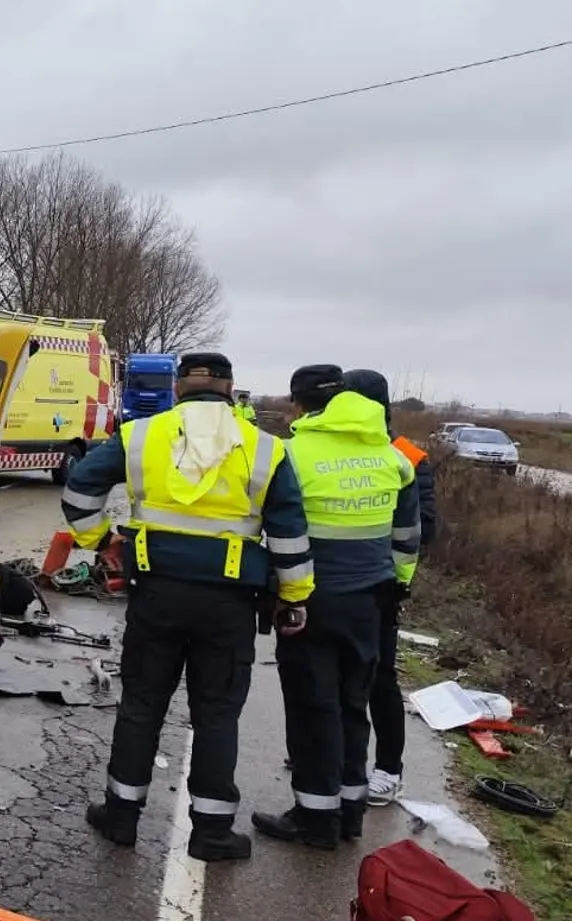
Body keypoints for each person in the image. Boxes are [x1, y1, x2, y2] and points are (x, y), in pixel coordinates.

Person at [66, 351, 314, 862]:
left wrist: (102, 543)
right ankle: (211, 833)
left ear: (179, 388)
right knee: (217, 714)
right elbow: (289, 535)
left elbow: (79, 488)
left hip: (155, 595)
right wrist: (295, 598)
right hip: (228, 605)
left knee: (140, 706)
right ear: (230, 389)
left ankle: (121, 817)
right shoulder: (263, 448)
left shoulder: (140, 435)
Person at [253, 366, 419, 850]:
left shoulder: (292, 453)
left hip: (309, 600)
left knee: (312, 707)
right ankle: (350, 814)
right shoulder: (392, 458)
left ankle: (314, 819)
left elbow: (273, 526)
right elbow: (408, 538)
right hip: (372, 600)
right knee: (352, 704)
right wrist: (398, 585)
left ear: (300, 405)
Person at [340, 369, 438, 807]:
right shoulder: (339, 452)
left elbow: (426, 528)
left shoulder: (407, 457)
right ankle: (343, 758)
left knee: (379, 679)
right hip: (339, 586)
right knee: (336, 676)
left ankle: (388, 770)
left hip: (381, 587)